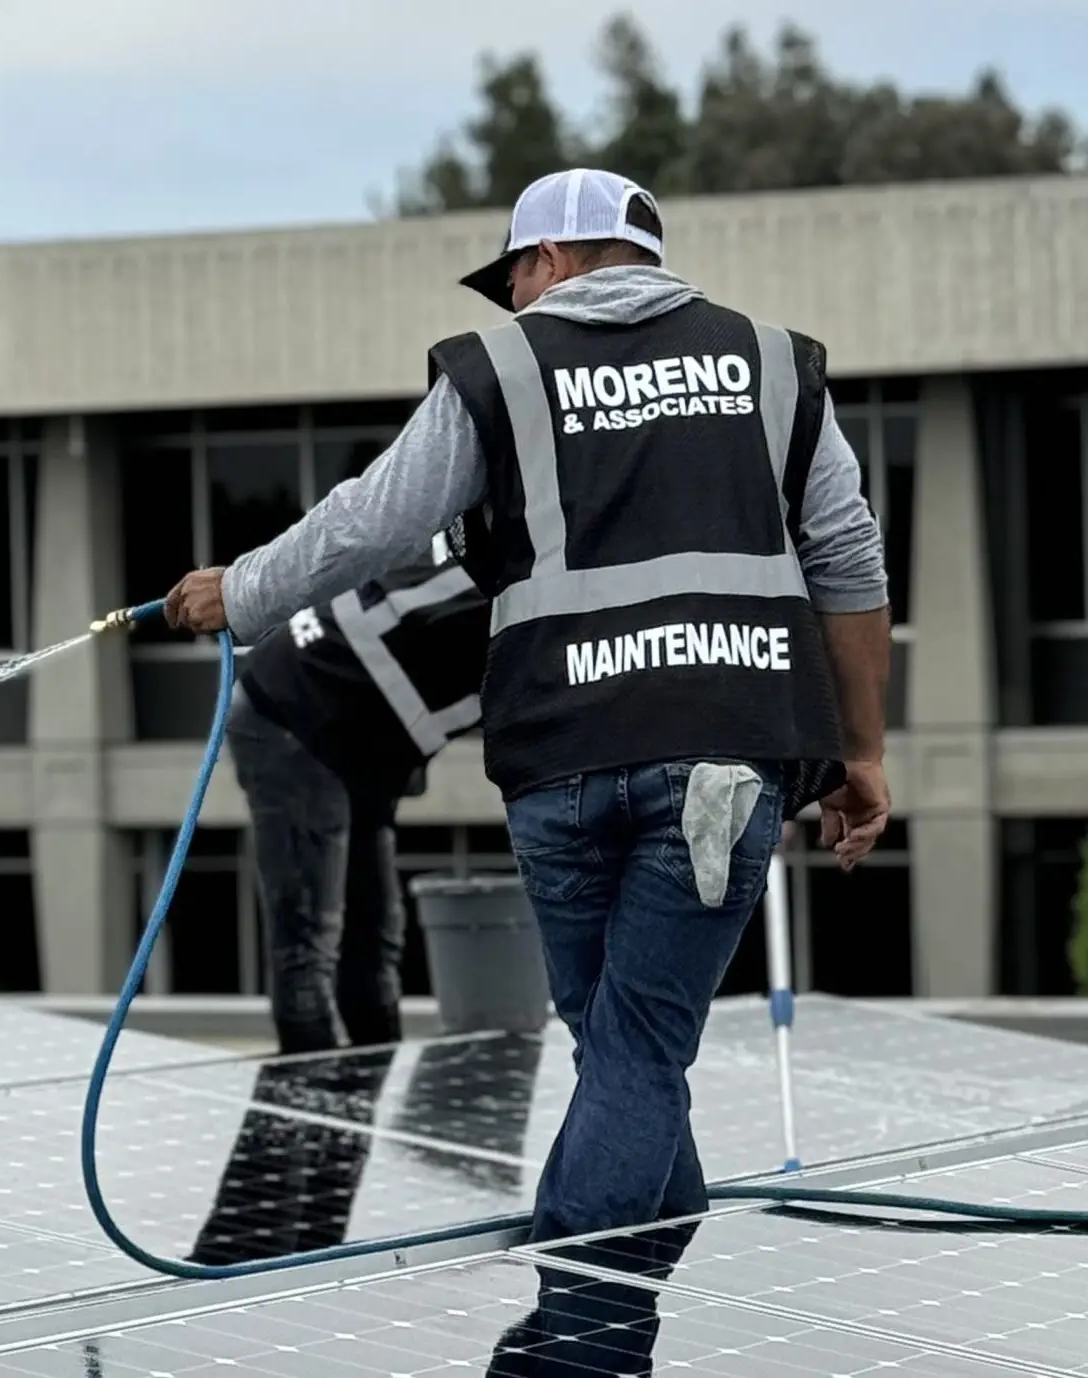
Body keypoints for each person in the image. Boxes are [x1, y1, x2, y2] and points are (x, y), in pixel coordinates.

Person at [164, 168, 892, 1254]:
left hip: (564, 761)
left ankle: (584, 1324)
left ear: (548, 261)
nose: (510, 302)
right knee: (635, 1047)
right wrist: (862, 751)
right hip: (722, 762)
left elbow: (374, 519)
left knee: (622, 1045)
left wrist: (246, 590)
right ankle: (598, 1311)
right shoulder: (774, 366)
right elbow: (848, 555)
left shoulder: (504, 366)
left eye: (512, 275)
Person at [228, 536, 489, 1053]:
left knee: (374, 938)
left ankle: (364, 1088)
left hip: (360, 741)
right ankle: (312, 1111)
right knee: (310, 942)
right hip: (292, 711)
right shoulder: (512, 597)